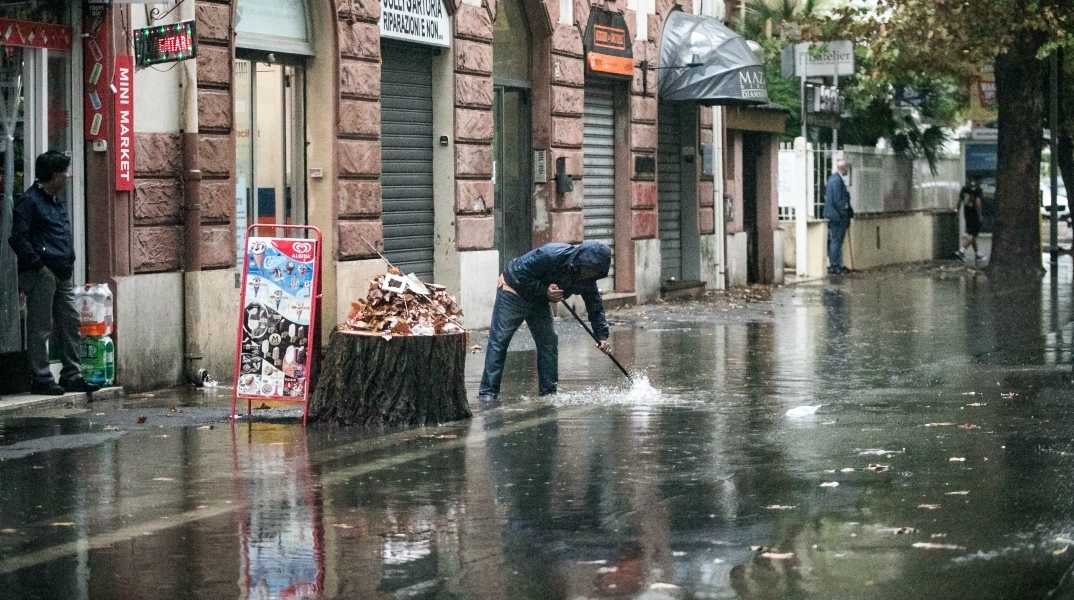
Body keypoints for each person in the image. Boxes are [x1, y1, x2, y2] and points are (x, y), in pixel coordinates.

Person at [9, 151, 99, 396]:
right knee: (41, 325)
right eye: (65, 173)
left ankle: (72, 375)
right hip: (42, 274)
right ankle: (41, 377)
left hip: (61, 273)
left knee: (70, 322)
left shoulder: (53, 201)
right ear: (56, 175)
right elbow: (18, 238)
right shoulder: (30, 201)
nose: (68, 177)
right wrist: (40, 267)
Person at [478, 241, 613, 402]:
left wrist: (602, 336)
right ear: (581, 260)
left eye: (594, 271)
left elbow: (595, 307)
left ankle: (549, 393)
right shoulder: (550, 255)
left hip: (539, 300)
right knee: (499, 341)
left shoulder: (588, 280)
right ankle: (488, 393)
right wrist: (544, 291)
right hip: (513, 291)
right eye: (588, 268)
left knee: (549, 342)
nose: (589, 274)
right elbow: (519, 274)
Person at [824, 160, 853, 274]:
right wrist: (844, 213)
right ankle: (834, 265)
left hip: (833, 215)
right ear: (844, 168)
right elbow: (838, 200)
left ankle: (837, 264)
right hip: (837, 216)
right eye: (847, 169)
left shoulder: (833, 179)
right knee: (836, 241)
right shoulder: (837, 180)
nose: (848, 172)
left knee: (837, 241)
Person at [956, 175, 985, 262]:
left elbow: (959, 202)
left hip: (967, 214)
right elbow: (978, 202)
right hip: (975, 214)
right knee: (973, 234)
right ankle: (962, 251)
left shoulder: (964, 189)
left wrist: (957, 212)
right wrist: (980, 215)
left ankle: (977, 254)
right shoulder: (977, 189)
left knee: (971, 234)